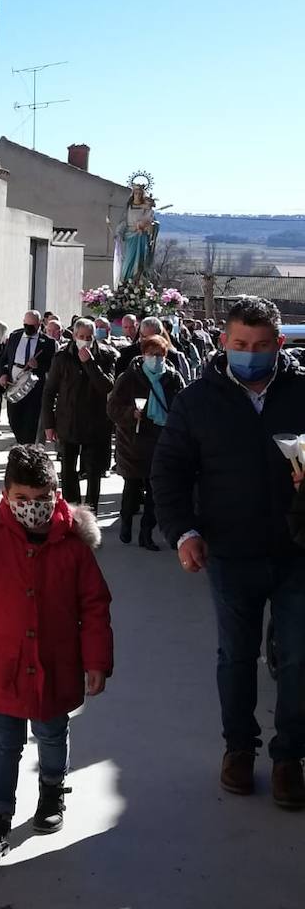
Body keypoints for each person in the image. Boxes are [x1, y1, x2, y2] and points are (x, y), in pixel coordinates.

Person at [152, 297, 305, 808]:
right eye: (241, 345)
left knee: (299, 659)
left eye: (262, 347)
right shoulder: (199, 401)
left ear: (279, 344)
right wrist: (183, 532)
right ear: (223, 343)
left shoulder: (302, 391)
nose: (251, 355)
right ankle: (239, 749)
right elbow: (169, 471)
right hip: (231, 552)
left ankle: (289, 758)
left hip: (297, 553)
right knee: (236, 657)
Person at [0, 444, 113, 866]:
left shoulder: (72, 545)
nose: (32, 508)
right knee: (2, 741)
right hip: (5, 663)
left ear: (54, 493)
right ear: (5, 493)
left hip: (56, 663)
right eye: (21, 500)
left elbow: (94, 605)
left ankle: (52, 788)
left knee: (52, 732)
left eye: (41, 500)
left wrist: (96, 660)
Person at [107, 333, 185, 550]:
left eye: (160, 354)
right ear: (144, 354)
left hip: (160, 440)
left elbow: (182, 405)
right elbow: (112, 407)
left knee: (154, 492)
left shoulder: (173, 377)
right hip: (134, 441)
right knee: (131, 489)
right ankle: (126, 523)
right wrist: (131, 414)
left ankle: (146, 533)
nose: (156, 358)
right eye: (152, 354)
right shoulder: (129, 377)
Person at [41, 318, 117, 513]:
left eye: (88, 337)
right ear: (74, 336)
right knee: (68, 471)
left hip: (95, 423)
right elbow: (50, 392)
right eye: (81, 337)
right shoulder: (62, 357)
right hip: (68, 421)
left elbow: (106, 386)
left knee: (93, 471)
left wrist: (90, 363)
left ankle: (91, 512)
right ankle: (71, 510)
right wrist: (48, 424)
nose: (85, 340)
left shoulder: (106, 355)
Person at [0, 312, 58, 446]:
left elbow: (53, 366)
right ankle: (21, 443)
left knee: (30, 422)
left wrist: (39, 366)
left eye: (32, 326)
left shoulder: (48, 343)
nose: (28, 328)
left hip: (34, 389)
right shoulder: (15, 337)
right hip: (14, 383)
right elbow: (4, 359)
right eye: (26, 325)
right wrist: (3, 373)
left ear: (39, 324)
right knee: (13, 419)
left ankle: (27, 447)